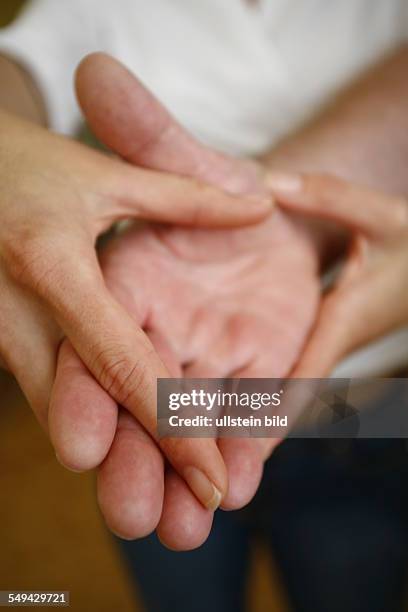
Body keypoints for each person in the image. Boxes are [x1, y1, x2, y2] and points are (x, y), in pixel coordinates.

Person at [1, 1, 408, 610]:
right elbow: (20, 66)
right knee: (175, 563)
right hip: (168, 402)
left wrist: (286, 212)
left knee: (351, 586)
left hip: (363, 403)